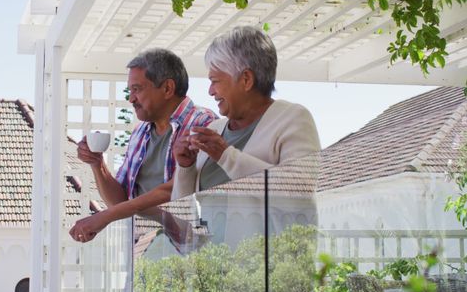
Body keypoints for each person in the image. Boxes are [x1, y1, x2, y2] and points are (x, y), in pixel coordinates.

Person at [70, 48, 218, 243]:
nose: (131, 98)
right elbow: (121, 202)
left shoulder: (202, 123)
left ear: (167, 88)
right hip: (146, 251)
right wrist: (98, 164)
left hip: (192, 248)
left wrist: (104, 216)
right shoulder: (140, 133)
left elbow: (173, 191)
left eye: (137, 89)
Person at [172, 25, 320, 199]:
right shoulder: (214, 130)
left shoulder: (293, 119)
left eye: (215, 81)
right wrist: (185, 168)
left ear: (246, 79)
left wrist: (226, 156)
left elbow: (300, 191)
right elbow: (182, 214)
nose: (210, 91)